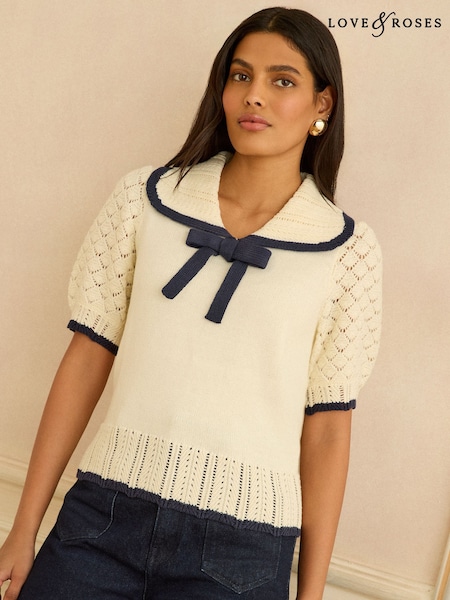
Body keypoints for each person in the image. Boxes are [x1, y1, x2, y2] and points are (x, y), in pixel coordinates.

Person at [0, 7, 382, 600]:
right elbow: (86, 359)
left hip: (244, 553)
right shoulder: (144, 199)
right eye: (240, 75)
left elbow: (329, 429)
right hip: (100, 519)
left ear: (322, 105)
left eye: (282, 81)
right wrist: (23, 529)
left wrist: (310, 596)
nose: (254, 95)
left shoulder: (347, 252)